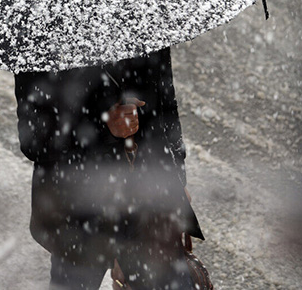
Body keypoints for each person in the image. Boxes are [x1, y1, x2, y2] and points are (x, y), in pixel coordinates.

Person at [15, 47, 203, 289]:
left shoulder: (142, 18)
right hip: (78, 210)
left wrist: (177, 177)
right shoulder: (43, 35)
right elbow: (34, 139)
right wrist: (104, 129)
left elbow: (165, 103)